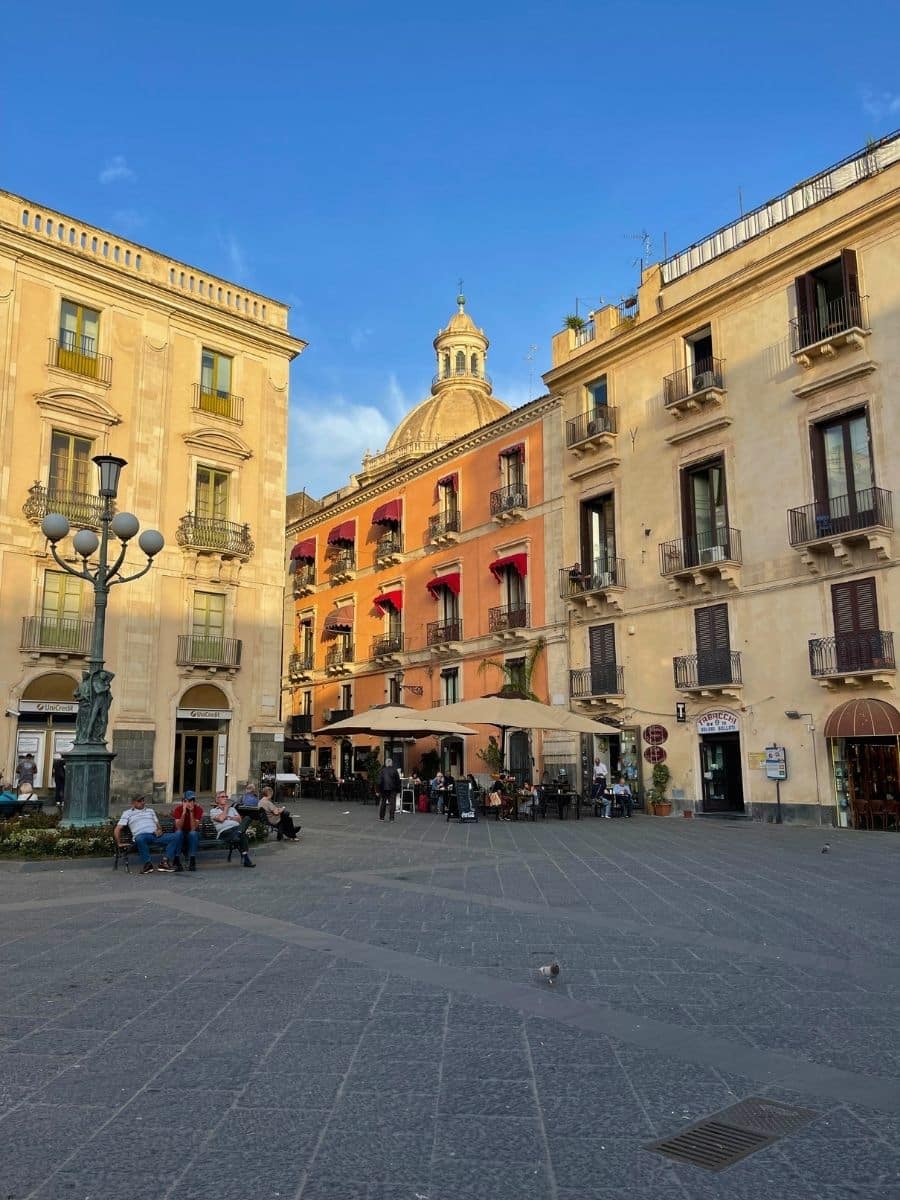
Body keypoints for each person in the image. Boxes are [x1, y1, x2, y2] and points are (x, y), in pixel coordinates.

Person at [114, 795, 181, 874]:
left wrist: (159, 830)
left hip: (154, 835)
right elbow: (117, 829)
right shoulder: (127, 813)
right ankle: (147, 864)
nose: (142, 802)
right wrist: (119, 843)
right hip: (141, 836)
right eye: (139, 801)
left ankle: (164, 863)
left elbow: (158, 826)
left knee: (176, 836)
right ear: (133, 803)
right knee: (140, 838)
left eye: (143, 800)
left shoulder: (150, 811)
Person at [210, 791, 255, 867]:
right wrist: (226, 809)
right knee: (242, 834)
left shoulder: (232, 809)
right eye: (223, 797)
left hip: (236, 829)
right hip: (225, 832)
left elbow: (240, 820)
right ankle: (246, 860)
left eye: (226, 796)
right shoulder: (213, 811)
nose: (225, 798)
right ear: (217, 800)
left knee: (247, 818)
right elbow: (221, 819)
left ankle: (238, 834)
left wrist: (229, 817)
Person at [171, 789, 204, 871]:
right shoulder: (178, 809)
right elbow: (178, 827)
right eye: (188, 800)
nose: (191, 802)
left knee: (193, 834)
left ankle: (192, 860)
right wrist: (183, 812)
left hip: (192, 833)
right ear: (183, 801)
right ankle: (177, 859)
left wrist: (191, 812)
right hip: (181, 833)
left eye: (192, 800)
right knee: (178, 833)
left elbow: (193, 828)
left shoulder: (198, 810)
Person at [378, 758, 402, 822]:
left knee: (383, 803)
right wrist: (398, 790)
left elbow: (380, 781)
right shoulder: (395, 770)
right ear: (391, 763)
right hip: (393, 789)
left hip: (384, 789)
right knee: (392, 803)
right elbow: (398, 781)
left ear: (386, 763)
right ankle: (391, 818)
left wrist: (379, 790)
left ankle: (381, 817)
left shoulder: (382, 770)